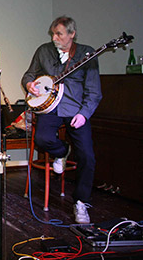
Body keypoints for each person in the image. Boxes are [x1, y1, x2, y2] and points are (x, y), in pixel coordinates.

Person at [22, 16, 102, 224]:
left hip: (76, 110)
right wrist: (30, 83)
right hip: (50, 107)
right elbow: (28, 74)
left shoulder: (87, 53)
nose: (54, 37)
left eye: (59, 34)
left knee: (87, 155)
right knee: (42, 139)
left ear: (72, 34)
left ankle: (81, 202)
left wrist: (84, 114)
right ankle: (62, 151)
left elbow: (94, 92)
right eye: (53, 33)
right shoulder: (43, 51)